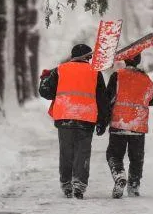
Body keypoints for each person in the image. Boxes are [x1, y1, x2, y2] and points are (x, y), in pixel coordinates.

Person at [39, 44, 109, 199]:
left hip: (65, 116)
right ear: (88, 57)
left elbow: (45, 92)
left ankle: (66, 184)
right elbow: (102, 99)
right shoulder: (95, 73)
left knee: (66, 152)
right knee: (82, 153)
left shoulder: (60, 69)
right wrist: (103, 122)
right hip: (86, 118)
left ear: (72, 56)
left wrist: (45, 78)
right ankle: (79, 185)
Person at [105, 53, 153, 199]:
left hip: (119, 123)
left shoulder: (117, 76)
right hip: (138, 125)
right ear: (138, 61)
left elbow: (108, 97)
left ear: (125, 60)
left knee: (114, 155)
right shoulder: (145, 78)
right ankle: (133, 187)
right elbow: (152, 100)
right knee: (136, 158)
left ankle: (119, 175)